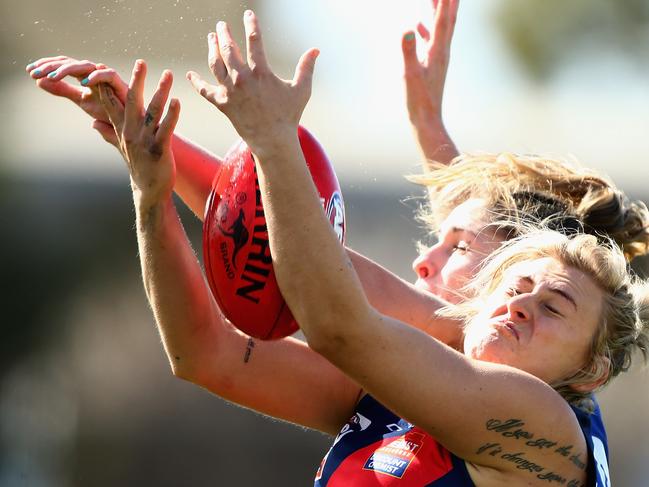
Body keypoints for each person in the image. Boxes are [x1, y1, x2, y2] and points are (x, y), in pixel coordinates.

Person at [90, 10, 649, 486]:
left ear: (593, 370)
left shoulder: (541, 418)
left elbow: (326, 299)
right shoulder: (405, 383)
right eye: (515, 287)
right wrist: (151, 189)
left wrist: (274, 140)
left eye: (552, 307)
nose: (422, 261)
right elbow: (204, 353)